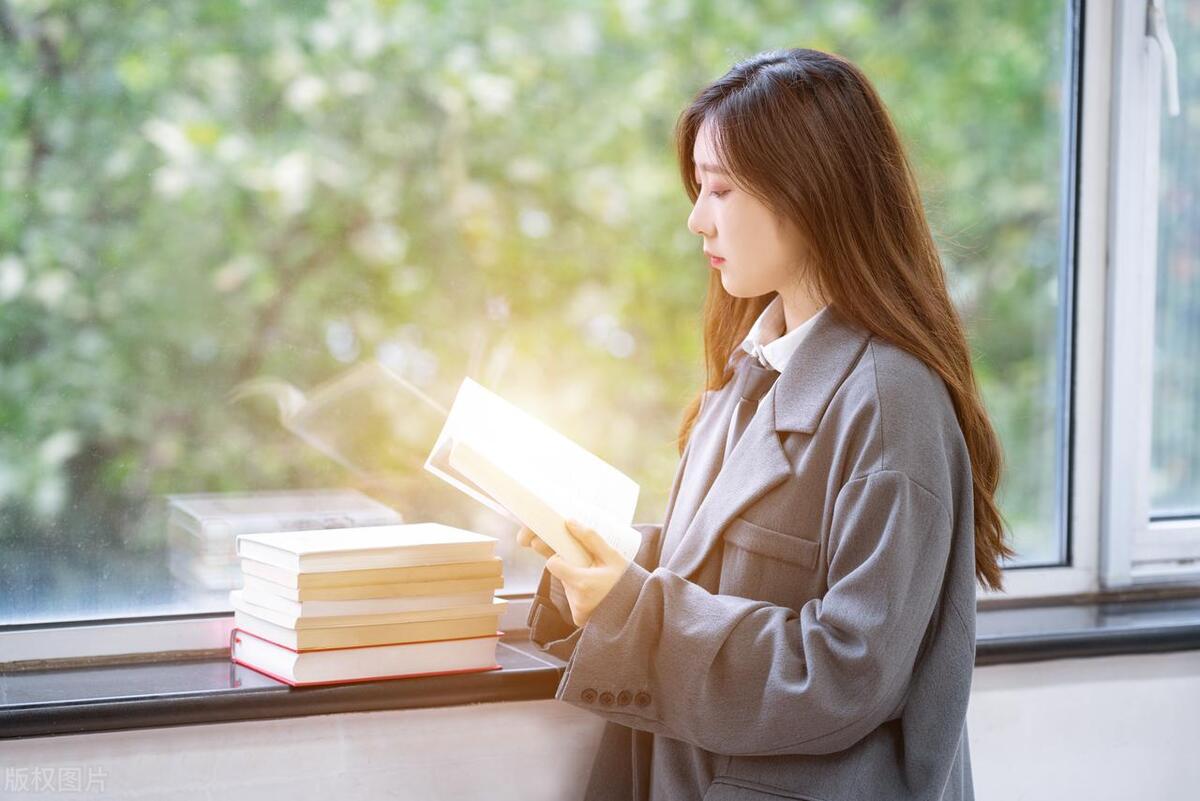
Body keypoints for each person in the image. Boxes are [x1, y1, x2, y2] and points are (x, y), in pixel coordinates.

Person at [518, 46, 1013, 801]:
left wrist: (631, 606)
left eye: (719, 190)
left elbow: (847, 671)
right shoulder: (749, 371)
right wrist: (601, 560)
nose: (695, 219)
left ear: (808, 194)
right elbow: (726, 573)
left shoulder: (891, 402)